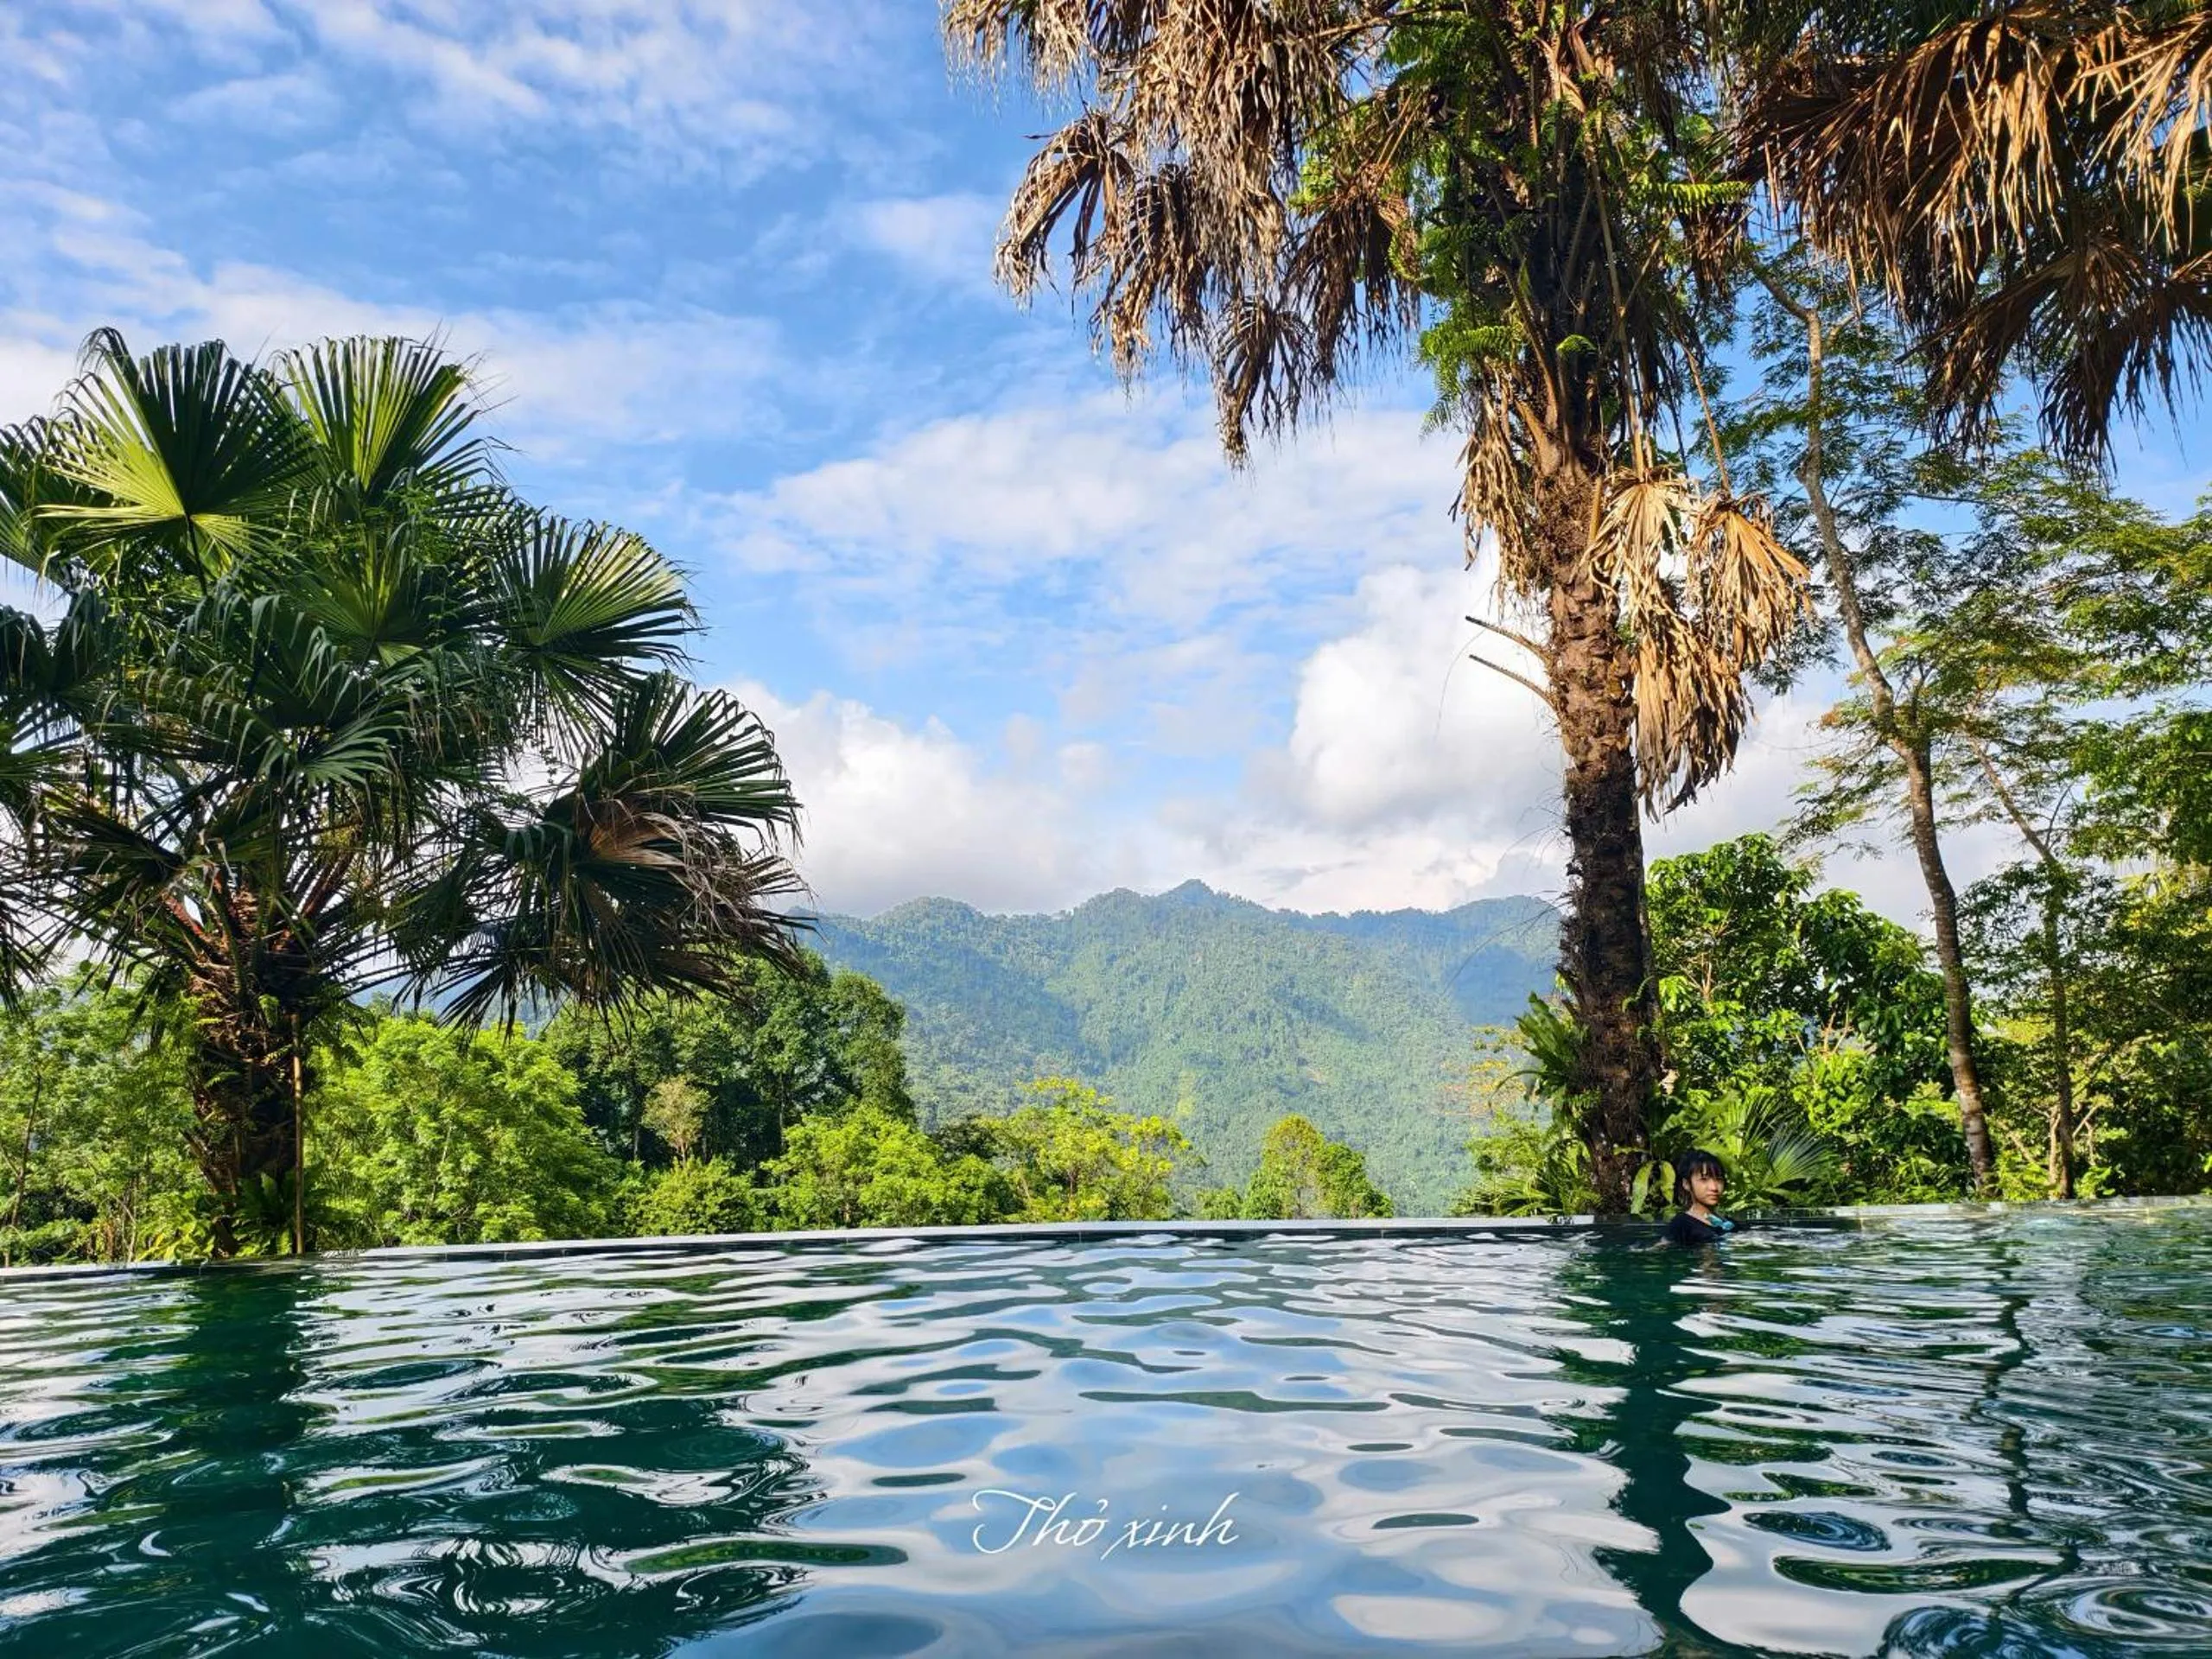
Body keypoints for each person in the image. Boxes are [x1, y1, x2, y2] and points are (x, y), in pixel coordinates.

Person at [1662, 1149, 1735, 1245]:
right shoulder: (1682, 1225)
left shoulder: (1729, 1223)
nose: (1714, 1187)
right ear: (1687, 1184)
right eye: (1704, 1179)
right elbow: (1662, 1246)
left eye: (1719, 1179)